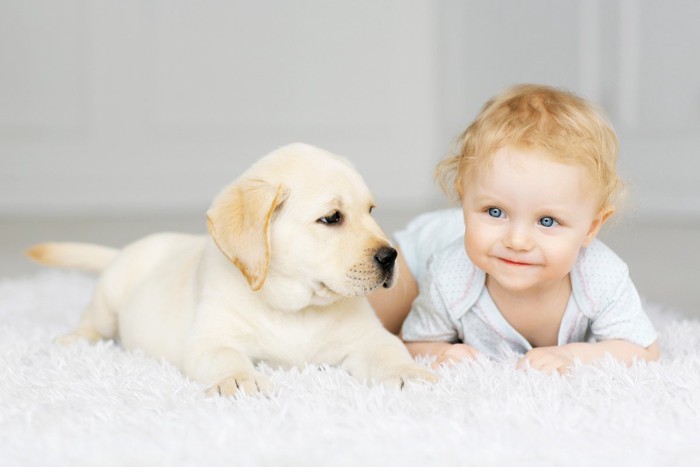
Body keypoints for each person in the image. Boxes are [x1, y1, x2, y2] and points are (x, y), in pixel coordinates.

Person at [369, 84, 660, 374]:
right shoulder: (449, 274)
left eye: (547, 221)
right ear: (465, 201)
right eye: (494, 212)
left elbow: (644, 349)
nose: (517, 240)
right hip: (423, 253)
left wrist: (572, 356)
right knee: (373, 326)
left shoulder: (601, 277)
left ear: (591, 228)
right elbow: (412, 342)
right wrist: (444, 351)